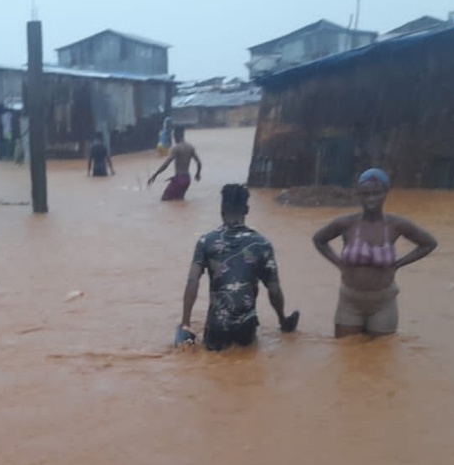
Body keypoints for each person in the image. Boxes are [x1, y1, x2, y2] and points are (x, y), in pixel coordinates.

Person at [312, 168, 438, 338]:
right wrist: (338, 263)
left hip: (383, 302)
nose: (371, 199)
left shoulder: (397, 225)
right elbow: (319, 239)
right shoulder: (345, 223)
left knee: (380, 356)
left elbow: (429, 243)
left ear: (386, 193)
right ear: (358, 194)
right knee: (345, 352)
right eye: (365, 194)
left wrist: (399, 264)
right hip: (349, 300)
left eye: (376, 193)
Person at [181, 184, 299, 351]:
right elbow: (274, 289)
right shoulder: (262, 244)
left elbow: (193, 280)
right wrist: (282, 321)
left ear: (222, 209)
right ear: (247, 209)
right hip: (247, 327)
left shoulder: (206, 241)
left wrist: (185, 324)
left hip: (216, 327)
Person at [147, 126, 201, 201]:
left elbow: (166, 164)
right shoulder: (190, 147)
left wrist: (155, 175)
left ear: (176, 135)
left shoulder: (176, 148)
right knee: (179, 200)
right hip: (187, 179)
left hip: (179, 179)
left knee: (164, 199)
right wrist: (197, 174)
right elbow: (199, 162)